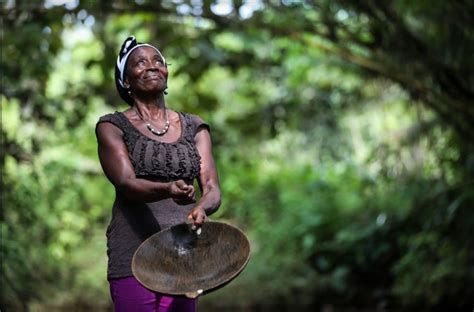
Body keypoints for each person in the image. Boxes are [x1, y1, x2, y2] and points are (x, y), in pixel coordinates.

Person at [95, 36, 221, 312]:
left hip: (183, 252)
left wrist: (201, 207)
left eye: (158, 62)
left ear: (166, 73)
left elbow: (211, 187)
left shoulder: (195, 127)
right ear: (126, 81)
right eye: (140, 62)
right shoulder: (112, 127)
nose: (151, 66)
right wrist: (167, 189)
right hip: (133, 252)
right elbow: (127, 183)